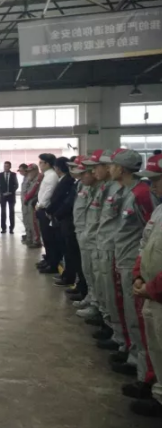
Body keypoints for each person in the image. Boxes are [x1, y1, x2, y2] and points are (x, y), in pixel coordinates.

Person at [111, 149, 156, 381]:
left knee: (138, 317)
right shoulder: (126, 191)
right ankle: (133, 356)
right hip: (124, 258)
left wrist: (140, 267)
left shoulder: (141, 194)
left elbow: (148, 233)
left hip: (133, 262)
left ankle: (144, 372)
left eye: (113, 165)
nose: (110, 169)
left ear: (122, 169)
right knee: (129, 313)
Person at [82, 150, 128, 355]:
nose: (94, 171)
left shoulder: (124, 191)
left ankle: (122, 340)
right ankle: (111, 328)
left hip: (114, 250)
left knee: (115, 296)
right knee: (103, 289)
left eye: (98, 166)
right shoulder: (104, 188)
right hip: (98, 244)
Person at [131, 153, 162, 417]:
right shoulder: (160, 210)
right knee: (156, 347)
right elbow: (145, 242)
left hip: (157, 292)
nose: (152, 187)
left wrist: (152, 288)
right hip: (150, 291)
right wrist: (138, 275)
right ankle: (159, 394)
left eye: (157, 180)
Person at [70, 160, 101, 313]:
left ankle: (96, 304)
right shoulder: (87, 187)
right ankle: (91, 297)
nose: (81, 177)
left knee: (95, 272)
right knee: (87, 270)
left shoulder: (101, 189)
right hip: (83, 232)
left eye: (84, 173)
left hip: (94, 237)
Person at [46, 157, 76, 283]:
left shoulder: (68, 181)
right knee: (65, 248)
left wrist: (53, 212)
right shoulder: (65, 180)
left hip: (66, 219)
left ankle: (69, 277)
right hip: (61, 218)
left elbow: (64, 202)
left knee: (69, 250)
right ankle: (67, 275)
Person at [35, 154, 60, 274]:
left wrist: (40, 205)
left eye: (41, 162)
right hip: (42, 207)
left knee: (49, 238)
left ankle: (52, 263)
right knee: (45, 237)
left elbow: (48, 193)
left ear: (48, 164)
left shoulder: (52, 176)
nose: (39, 164)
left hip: (45, 209)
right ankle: (48, 259)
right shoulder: (47, 175)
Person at [0, 161, 19, 234]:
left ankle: (11, 228)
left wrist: (11, 192)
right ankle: (3, 228)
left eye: (7, 166)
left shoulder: (13, 174)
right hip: (3, 196)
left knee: (11, 212)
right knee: (3, 212)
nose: (5, 167)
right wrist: (3, 193)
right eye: (4, 166)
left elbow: (16, 185)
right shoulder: (0, 175)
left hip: (11, 196)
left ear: (10, 167)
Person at [23, 164, 42, 248]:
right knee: (29, 221)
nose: (29, 173)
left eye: (30, 171)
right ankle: (32, 238)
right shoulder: (31, 178)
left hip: (33, 202)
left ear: (35, 170)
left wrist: (26, 198)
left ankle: (36, 241)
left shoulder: (39, 178)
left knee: (34, 222)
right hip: (28, 202)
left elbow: (33, 191)